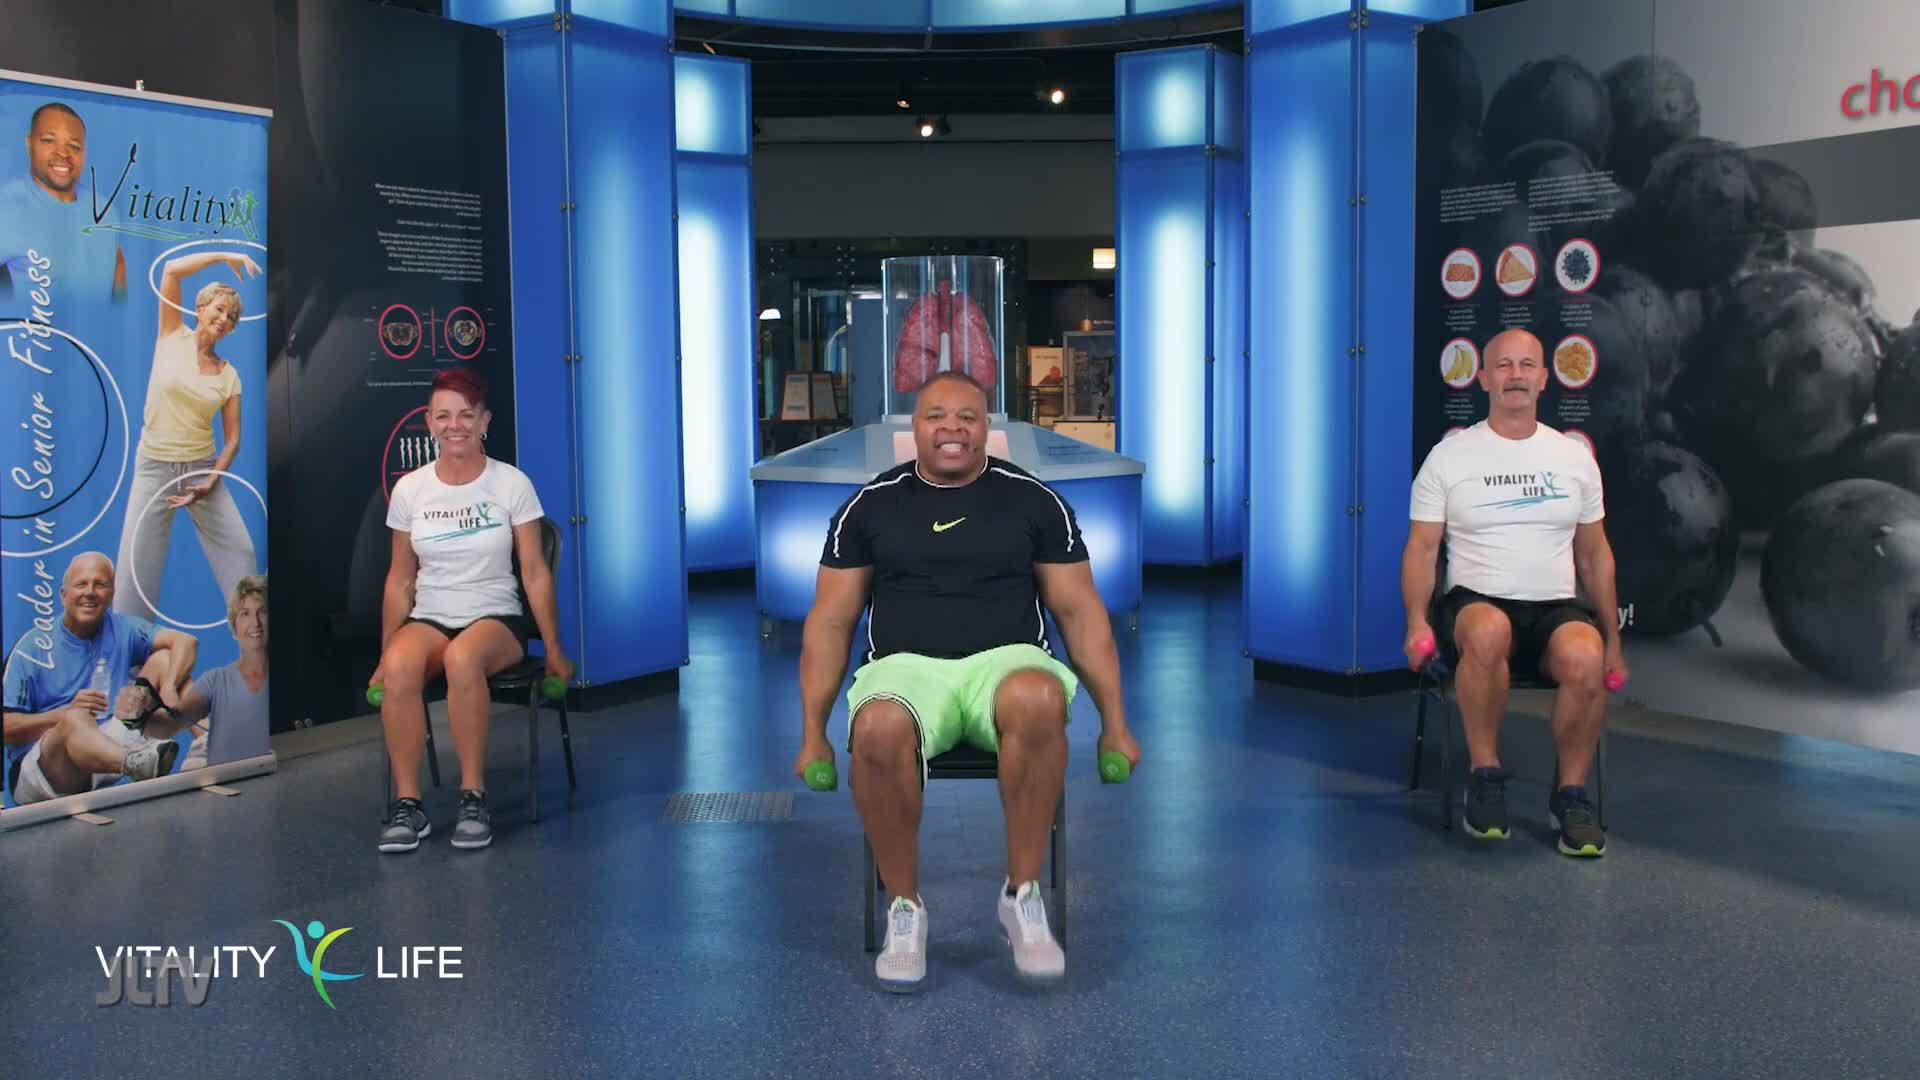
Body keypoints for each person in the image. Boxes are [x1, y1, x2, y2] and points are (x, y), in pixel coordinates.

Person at [795, 370, 1141, 992]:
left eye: (967, 416)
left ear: (987, 428)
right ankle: (905, 908)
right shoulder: (869, 506)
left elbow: (1079, 613)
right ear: (914, 427)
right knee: (876, 728)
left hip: (1005, 663)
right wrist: (813, 733)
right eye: (935, 416)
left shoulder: (1035, 500)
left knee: (1038, 697)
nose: (951, 428)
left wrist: (1115, 723)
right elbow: (830, 622)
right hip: (905, 669)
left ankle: (1022, 894)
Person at [1401, 327, 1624, 857]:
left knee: (1585, 656)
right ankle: (1485, 774)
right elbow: (1421, 548)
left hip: (1553, 608)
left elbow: (1594, 554)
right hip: (1475, 601)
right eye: (1504, 366)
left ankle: (1569, 795)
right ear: (1483, 379)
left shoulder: (1573, 458)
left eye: (1527, 365)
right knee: (1487, 629)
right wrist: (1415, 623)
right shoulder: (1450, 457)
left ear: (1545, 379)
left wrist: (1612, 637)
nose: (1516, 375)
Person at [372, 366, 572, 853]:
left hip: (495, 616)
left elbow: (534, 572)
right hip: (432, 615)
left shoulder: (511, 484)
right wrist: (384, 654)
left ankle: (472, 795)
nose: (454, 425)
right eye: (443, 415)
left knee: (463, 658)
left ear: (485, 421)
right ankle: (408, 805)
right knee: (401, 664)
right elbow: (400, 580)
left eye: (466, 415)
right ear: (429, 421)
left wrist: (554, 649)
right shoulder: (411, 490)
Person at [113, 250, 261, 625]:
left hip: (201, 469)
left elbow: (233, 441)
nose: (223, 318)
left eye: (230, 317)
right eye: (219, 309)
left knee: (242, 557)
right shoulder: (170, 334)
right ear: (201, 308)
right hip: (154, 467)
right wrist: (227, 255)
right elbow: (171, 269)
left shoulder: (230, 376)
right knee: (134, 576)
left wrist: (211, 481)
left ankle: (254, 645)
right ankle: (127, 667)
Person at [3, 552, 201, 807]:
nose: (90, 592)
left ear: (111, 594)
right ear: (63, 595)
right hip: (45, 773)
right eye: (81, 584)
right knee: (75, 719)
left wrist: (171, 685)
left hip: (102, 748)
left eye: (100, 584)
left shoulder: (122, 628)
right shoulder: (30, 648)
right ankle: (137, 764)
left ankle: (207, 746)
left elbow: (186, 641)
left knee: (165, 659)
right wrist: (63, 714)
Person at [0, 101, 127, 304]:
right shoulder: (6, 205)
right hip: (32, 333)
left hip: (94, 333)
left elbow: (117, 270)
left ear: (84, 153)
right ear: (29, 143)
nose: (63, 153)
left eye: (74, 146)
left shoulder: (103, 210)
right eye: (49, 141)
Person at [174, 575, 270, 771]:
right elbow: (172, 722)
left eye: (263, 612)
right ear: (234, 625)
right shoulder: (216, 680)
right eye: (245, 614)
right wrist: (140, 715)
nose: (255, 623)